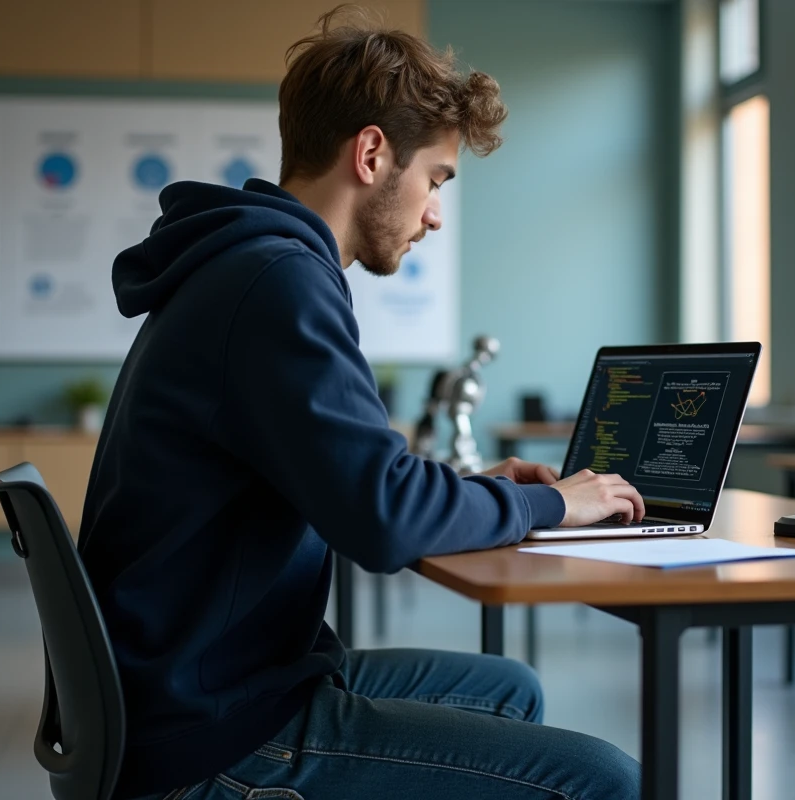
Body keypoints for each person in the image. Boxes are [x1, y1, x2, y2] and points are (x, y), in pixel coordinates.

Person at [79, 8, 645, 800]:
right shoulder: (276, 282)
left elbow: (358, 485)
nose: (435, 214)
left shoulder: (246, 265)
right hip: (214, 731)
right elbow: (381, 519)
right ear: (372, 154)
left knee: (510, 688)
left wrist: (476, 492)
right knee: (608, 781)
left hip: (205, 681)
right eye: (436, 180)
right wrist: (552, 504)